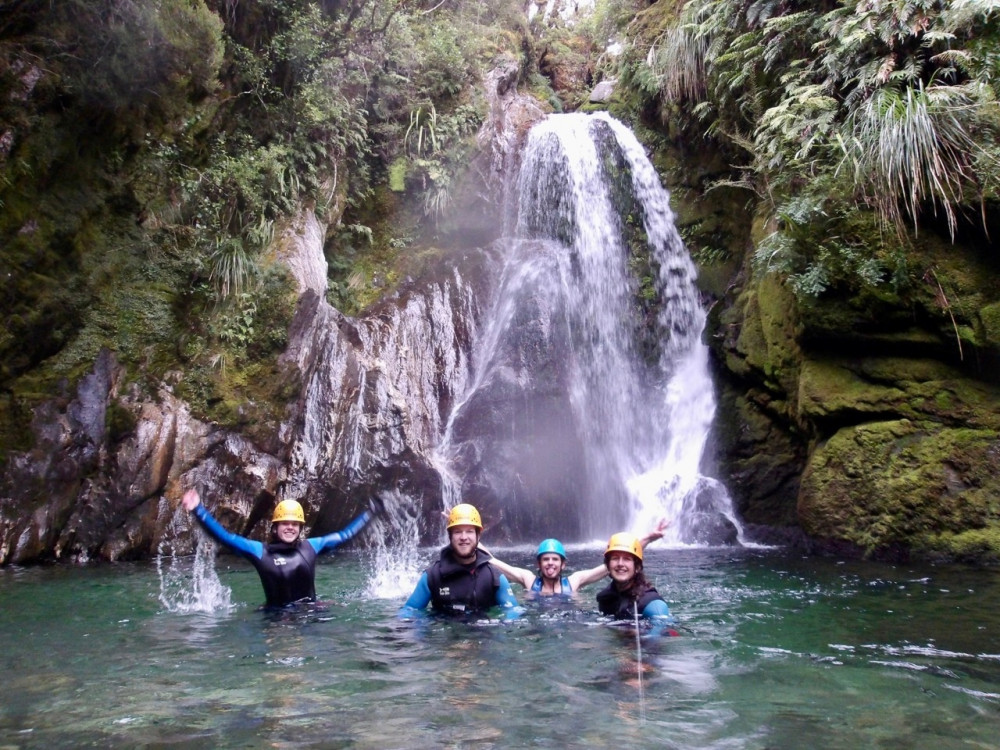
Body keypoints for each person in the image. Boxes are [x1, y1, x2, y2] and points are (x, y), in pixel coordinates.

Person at [181, 488, 372, 609]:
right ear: (275, 527)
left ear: (300, 529)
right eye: (285, 523)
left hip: (311, 613)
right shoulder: (260, 551)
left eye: (295, 524)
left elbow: (345, 535)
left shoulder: (311, 547)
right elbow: (226, 538)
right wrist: (198, 510)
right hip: (275, 619)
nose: (290, 527)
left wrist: (370, 513)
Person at [482, 519, 670, 598]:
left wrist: (646, 539)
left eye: (555, 559)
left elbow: (610, 567)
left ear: (563, 563)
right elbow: (493, 561)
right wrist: (467, 535)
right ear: (538, 563)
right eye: (545, 559)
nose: (550, 563)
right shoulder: (529, 580)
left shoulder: (573, 582)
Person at [399, 503, 521, 620]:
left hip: (483, 637)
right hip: (444, 638)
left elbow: (513, 612)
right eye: (457, 532)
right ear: (450, 536)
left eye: (469, 531)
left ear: (478, 535)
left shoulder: (494, 577)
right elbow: (409, 611)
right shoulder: (432, 576)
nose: (463, 537)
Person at [595, 531, 674, 626]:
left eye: (627, 559)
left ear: (637, 567)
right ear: (608, 565)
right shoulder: (605, 599)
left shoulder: (652, 603)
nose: (620, 563)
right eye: (615, 558)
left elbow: (661, 632)